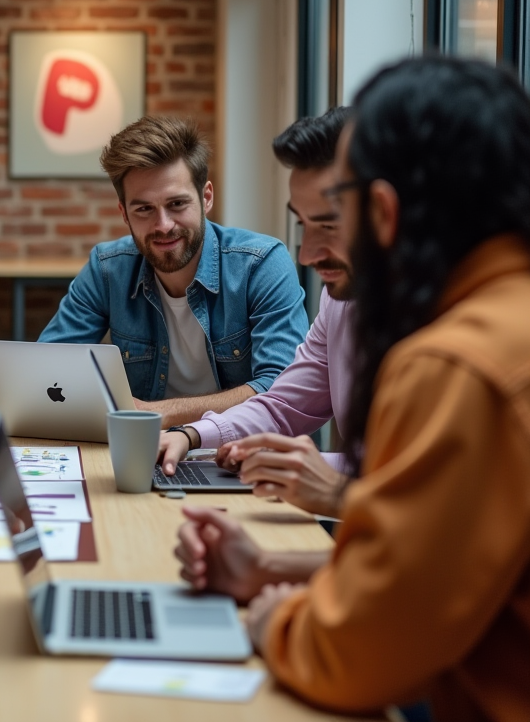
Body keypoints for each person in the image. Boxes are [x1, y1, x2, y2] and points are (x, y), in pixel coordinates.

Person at [177, 57, 530, 720]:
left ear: (385, 212)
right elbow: (441, 568)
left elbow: (356, 654)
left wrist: (276, 623)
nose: (308, 255)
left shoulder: (458, 363)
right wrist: (274, 566)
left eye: (337, 220)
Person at [38, 116, 307, 440]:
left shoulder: (261, 265)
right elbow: (45, 368)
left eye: (177, 204)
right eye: (144, 209)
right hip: (144, 451)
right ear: (124, 213)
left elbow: (281, 390)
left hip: (242, 453)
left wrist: (161, 413)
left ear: (206, 197)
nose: (163, 225)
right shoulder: (108, 270)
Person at [157, 108, 353, 515]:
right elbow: (283, 405)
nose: (307, 255)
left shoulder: (455, 324)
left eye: (329, 226)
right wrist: (192, 435)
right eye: (303, 226)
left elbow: (431, 490)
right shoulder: (340, 300)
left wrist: (319, 477)